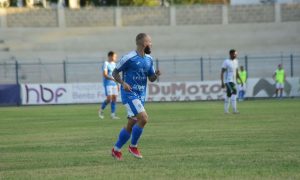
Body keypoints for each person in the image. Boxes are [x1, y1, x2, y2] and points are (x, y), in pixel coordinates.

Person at [111, 33, 161, 160]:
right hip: (129, 93)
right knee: (143, 118)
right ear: (143, 43)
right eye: (149, 42)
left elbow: (151, 78)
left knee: (132, 123)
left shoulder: (149, 59)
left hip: (141, 94)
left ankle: (116, 149)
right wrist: (123, 83)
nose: (151, 44)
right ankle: (133, 146)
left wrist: (156, 75)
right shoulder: (129, 58)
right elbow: (115, 72)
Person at [98, 51, 120, 120]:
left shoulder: (115, 64)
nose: (115, 58)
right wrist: (112, 79)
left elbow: (116, 75)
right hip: (108, 83)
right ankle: (101, 110)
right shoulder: (106, 63)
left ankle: (113, 115)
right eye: (114, 56)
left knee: (114, 98)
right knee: (109, 98)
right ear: (110, 56)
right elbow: (105, 75)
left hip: (114, 84)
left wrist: (118, 84)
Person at [221, 49, 243, 114]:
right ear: (230, 54)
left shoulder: (236, 61)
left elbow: (236, 72)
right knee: (234, 91)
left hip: (234, 81)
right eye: (234, 54)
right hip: (228, 81)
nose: (235, 55)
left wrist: (241, 80)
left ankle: (226, 110)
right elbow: (222, 72)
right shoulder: (226, 62)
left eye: (236, 54)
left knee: (229, 95)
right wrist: (222, 82)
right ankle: (234, 110)